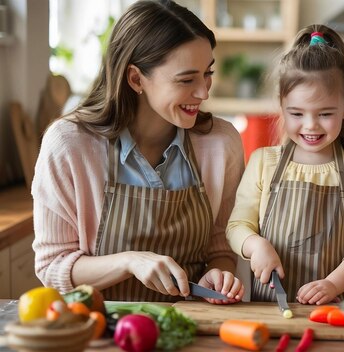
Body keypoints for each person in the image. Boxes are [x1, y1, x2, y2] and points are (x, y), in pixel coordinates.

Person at [32, 0, 245, 303]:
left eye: (207, 73)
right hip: (100, 329)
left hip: (190, 329)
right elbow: (52, 267)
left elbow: (221, 248)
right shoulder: (69, 145)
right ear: (136, 79)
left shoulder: (222, 143)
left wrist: (219, 273)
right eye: (187, 79)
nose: (204, 92)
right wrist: (130, 262)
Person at [226, 24, 344, 305]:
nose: (311, 125)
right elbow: (237, 225)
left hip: (339, 308)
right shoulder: (264, 162)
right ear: (281, 106)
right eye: (297, 113)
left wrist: (333, 284)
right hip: (272, 310)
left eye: (325, 113)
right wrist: (255, 245)